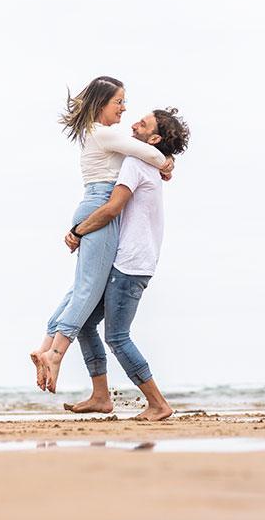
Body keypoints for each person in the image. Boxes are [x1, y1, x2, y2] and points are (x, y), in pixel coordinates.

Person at [30, 77, 173, 393]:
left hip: (91, 201)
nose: (124, 108)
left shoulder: (100, 135)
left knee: (79, 288)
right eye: (119, 101)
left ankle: (46, 347)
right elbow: (151, 155)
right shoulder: (104, 133)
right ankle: (55, 355)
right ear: (101, 104)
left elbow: (143, 151)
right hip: (101, 204)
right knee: (87, 290)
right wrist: (167, 161)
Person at [60, 107, 190, 420]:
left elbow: (112, 208)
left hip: (130, 263)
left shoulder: (134, 163)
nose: (133, 123)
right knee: (87, 324)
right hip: (136, 260)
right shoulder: (146, 162)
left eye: (142, 124)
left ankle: (158, 404)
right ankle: (101, 396)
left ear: (154, 138)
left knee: (117, 336)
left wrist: (78, 231)